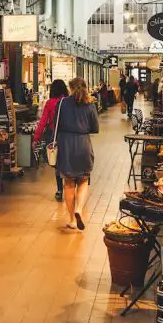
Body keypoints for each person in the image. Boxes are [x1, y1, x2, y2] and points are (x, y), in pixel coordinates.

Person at [56, 77, 99, 230]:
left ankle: (72, 219)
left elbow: (56, 124)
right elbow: (95, 128)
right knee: (83, 180)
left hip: (66, 144)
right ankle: (79, 209)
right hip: (83, 144)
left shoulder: (62, 103)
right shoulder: (90, 104)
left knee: (68, 183)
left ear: (70, 88)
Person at [33, 79, 69, 201]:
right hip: (66, 135)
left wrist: (36, 138)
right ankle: (69, 186)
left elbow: (43, 122)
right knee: (66, 160)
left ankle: (59, 189)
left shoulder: (50, 103)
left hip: (52, 135)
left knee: (56, 162)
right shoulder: (68, 102)